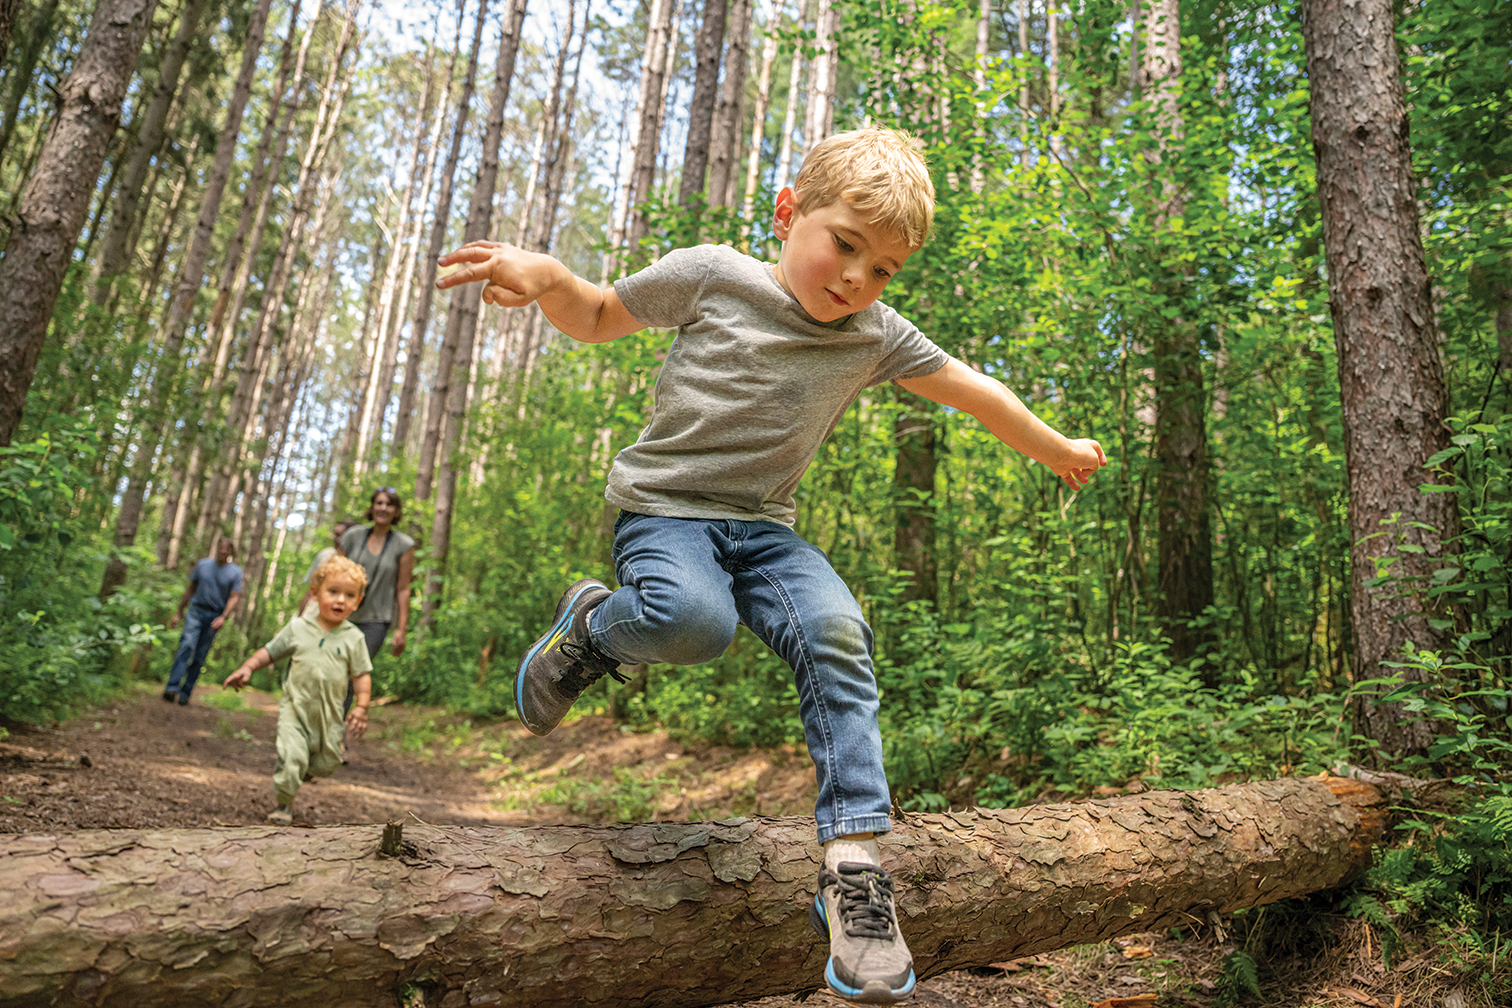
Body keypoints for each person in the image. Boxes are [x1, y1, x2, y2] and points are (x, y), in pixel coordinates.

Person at [436, 127, 1107, 1005]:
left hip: (763, 531)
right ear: (788, 213)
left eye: (885, 269)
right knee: (695, 623)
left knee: (836, 628)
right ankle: (591, 632)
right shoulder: (717, 274)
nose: (858, 278)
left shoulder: (874, 335)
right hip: (668, 513)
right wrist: (550, 277)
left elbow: (974, 389)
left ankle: (855, 870)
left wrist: (1055, 446)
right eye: (845, 245)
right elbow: (600, 314)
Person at [223, 555, 373, 825]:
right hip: (296, 709)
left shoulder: (354, 638)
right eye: (333, 592)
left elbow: (361, 675)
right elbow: (270, 651)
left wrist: (361, 707)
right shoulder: (299, 628)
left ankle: (301, 770)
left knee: (328, 764)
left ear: (358, 602)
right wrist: (247, 667)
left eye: (349, 595)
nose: (340, 600)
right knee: (291, 757)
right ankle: (284, 804)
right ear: (315, 593)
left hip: (329, 716)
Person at [337, 489, 415, 663]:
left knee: (356, 669)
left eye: (389, 505)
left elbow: (403, 589)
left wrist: (402, 630)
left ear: (396, 511)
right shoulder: (352, 536)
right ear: (372, 508)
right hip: (342, 612)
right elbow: (331, 574)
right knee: (333, 665)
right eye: (379, 503)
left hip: (376, 620)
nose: (383, 508)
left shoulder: (404, 545)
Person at [163, 537, 244, 705]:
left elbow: (234, 598)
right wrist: (178, 612)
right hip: (195, 610)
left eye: (226, 549)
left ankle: (186, 693)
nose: (223, 551)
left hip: (214, 616)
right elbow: (190, 589)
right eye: (220, 547)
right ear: (216, 548)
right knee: (186, 645)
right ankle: (172, 688)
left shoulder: (235, 573)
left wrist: (223, 617)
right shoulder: (202, 565)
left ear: (231, 552)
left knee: (200, 656)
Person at [299, 520, 352, 619]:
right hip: (313, 614)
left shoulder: (355, 564)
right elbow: (310, 590)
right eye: (335, 534)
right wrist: (300, 616)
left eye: (340, 535)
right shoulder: (326, 555)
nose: (336, 539)